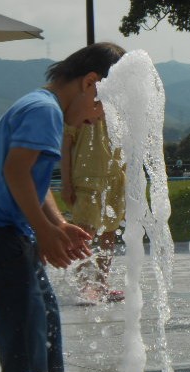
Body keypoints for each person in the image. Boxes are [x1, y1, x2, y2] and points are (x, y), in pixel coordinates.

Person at [0, 42, 125, 372]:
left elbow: (35, 181)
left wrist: (57, 224)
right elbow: (15, 172)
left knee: (41, 312)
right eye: (103, 107)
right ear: (90, 83)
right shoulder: (44, 110)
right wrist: (44, 231)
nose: (97, 119)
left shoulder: (41, 107)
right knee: (22, 315)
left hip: (5, 234)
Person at [60, 116, 126, 305]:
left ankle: (102, 285)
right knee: (83, 234)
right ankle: (84, 287)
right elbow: (65, 146)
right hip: (87, 178)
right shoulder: (80, 108)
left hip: (115, 177)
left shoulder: (117, 107)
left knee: (109, 233)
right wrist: (66, 183)